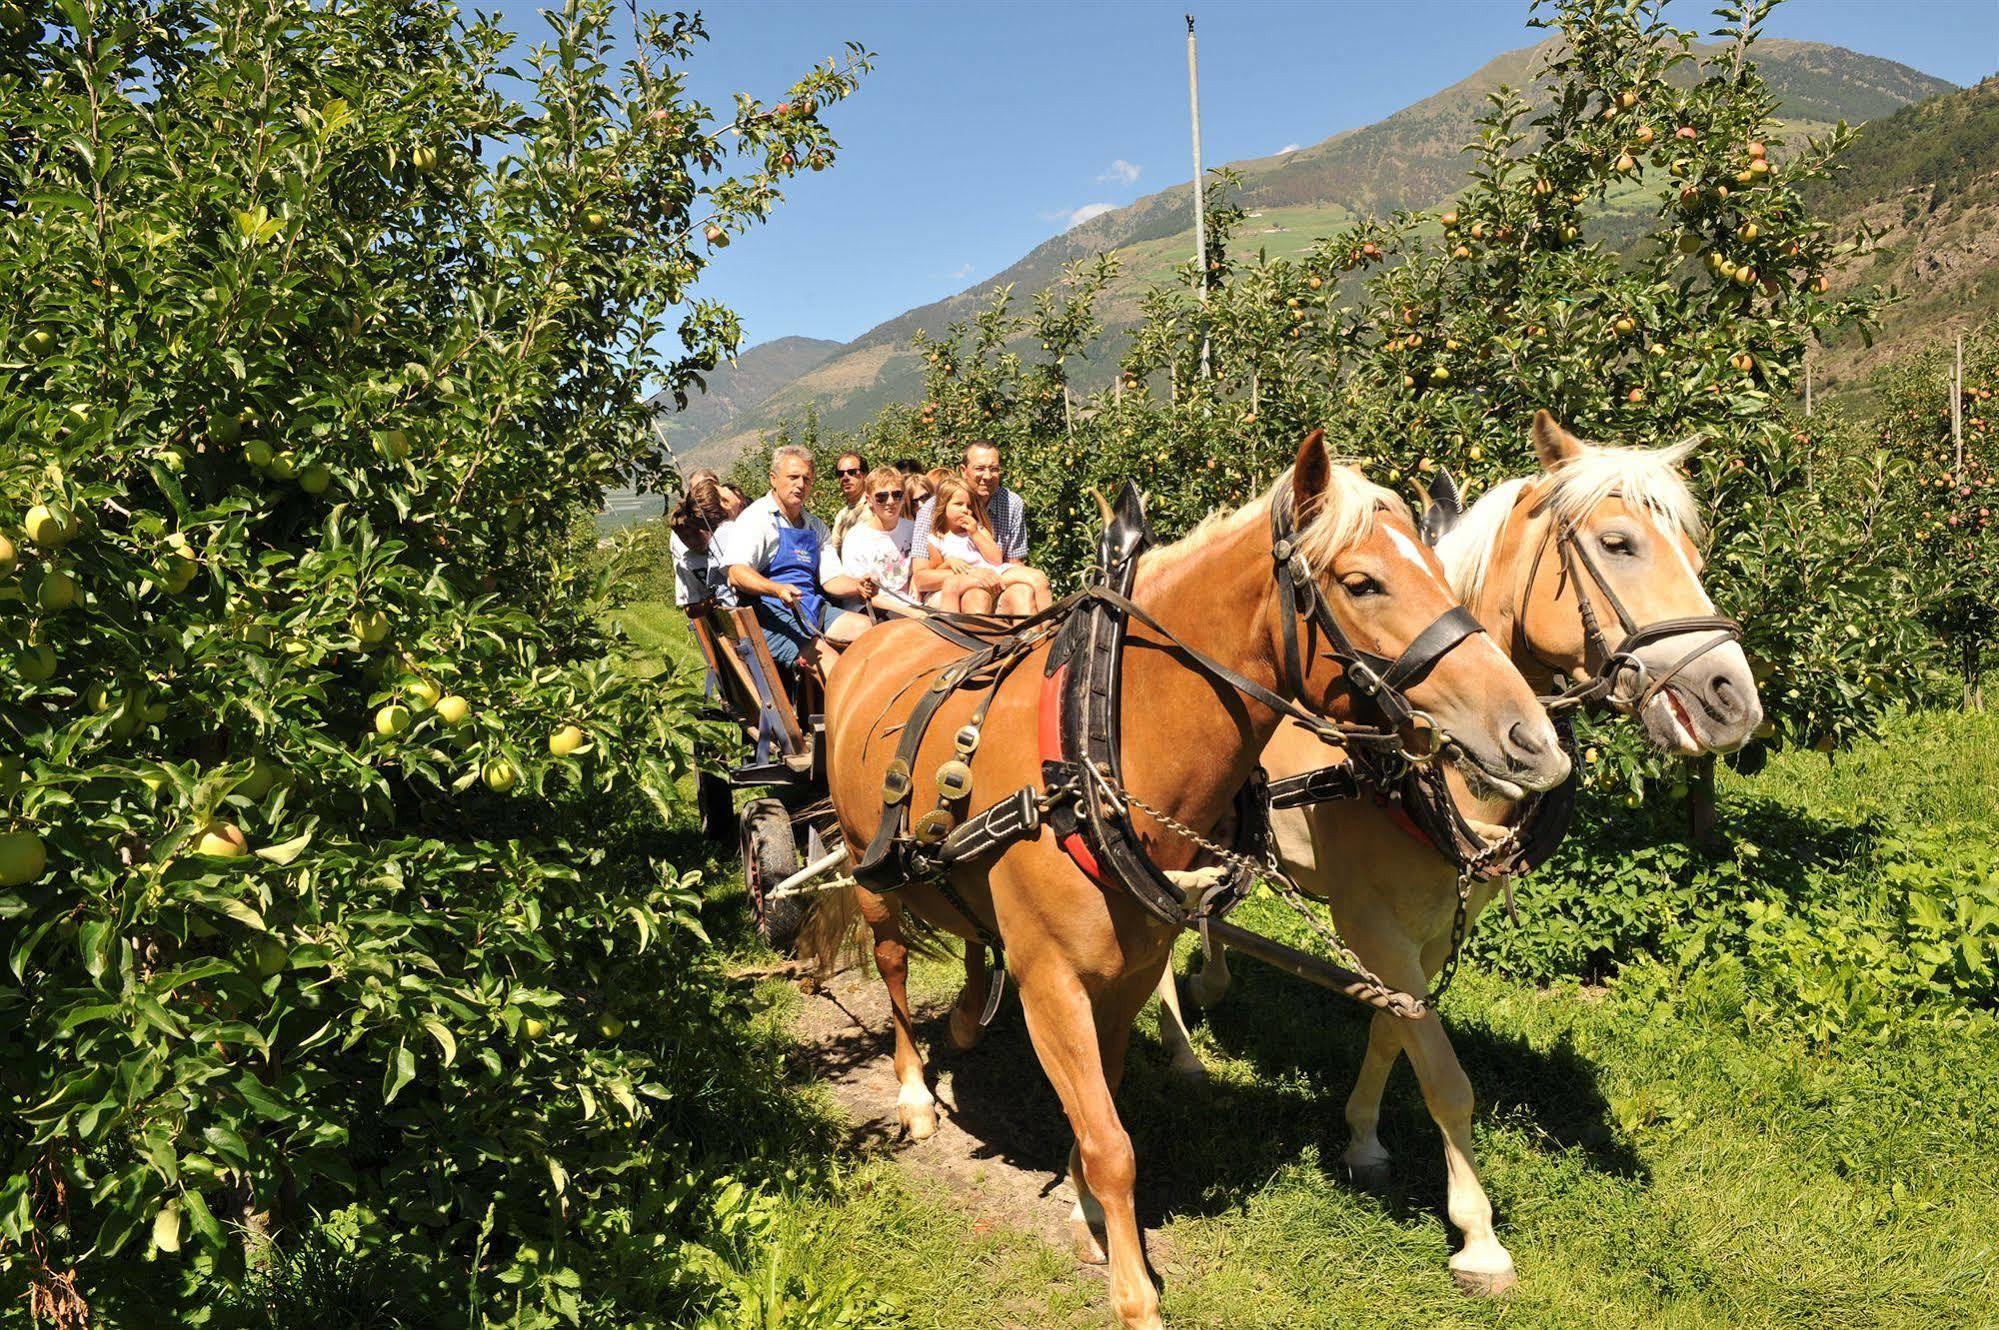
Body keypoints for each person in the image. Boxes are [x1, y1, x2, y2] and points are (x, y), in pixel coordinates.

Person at [720, 445, 875, 676]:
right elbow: (736, 572)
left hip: (812, 610)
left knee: (873, 633)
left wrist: (857, 585)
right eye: (793, 477)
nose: (800, 485)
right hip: (771, 618)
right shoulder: (756, 519)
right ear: (773, 479)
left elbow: (831, 579)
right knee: (835, 667)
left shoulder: (814, 525)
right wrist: (776, 589)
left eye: (807, 479)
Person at [908, 441, 1052, 614]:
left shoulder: (1011, 504)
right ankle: (960, 639)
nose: (988, 476)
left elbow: (1013, 562)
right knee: (976, 597)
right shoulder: (933, 508)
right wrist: (973, 573)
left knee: (1023, 593)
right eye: (980, 468)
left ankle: (1043, 635)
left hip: (996, 578)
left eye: (994, 469)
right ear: (963, 470)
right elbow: (922, 577)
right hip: (949, 587)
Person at [838, 465, 918, 614]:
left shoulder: (913, 529)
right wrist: (912, 612)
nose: (890, 501)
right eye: (881, 497)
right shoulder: (856, 538)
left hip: (912, 603)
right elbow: (866, 596)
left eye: (897, 495)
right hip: (875, 608)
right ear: (869, 500)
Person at [669, 470, 734, 610]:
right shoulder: (685, 557)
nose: (692, 541)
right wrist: (712, 603)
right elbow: (689, 598)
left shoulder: (727, 528)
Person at [828, 451, 869, 556]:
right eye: (840, 474)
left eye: (852, 472)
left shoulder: (877, 506)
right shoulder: (841, 516)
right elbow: (834, 553)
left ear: (864, 474)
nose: (845, 478)